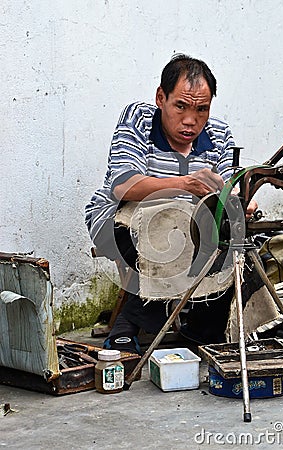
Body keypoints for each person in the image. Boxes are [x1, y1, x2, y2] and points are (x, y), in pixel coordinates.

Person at [85, 54, 258, 353]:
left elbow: (227, 190)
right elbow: (124, 186)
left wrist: (239, 202)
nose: (191, 120)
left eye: (201, 109)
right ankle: (132, 322)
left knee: (232, 237)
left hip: (187, 228)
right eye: (181, 106)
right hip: (117, 221)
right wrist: (185, 185)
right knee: (168, 228)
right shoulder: (138, 119)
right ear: (161, 97)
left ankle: (203, 330)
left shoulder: (218, 134)